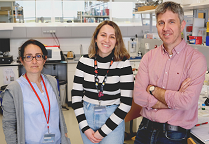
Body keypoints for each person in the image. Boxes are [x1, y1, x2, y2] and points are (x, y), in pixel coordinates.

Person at [133, 1, 207, 144]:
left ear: (182, 25)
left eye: (171, 22)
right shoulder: (149, 57)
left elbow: (186, 102)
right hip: (144, 130)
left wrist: (152, 89)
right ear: (157, 26)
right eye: (161, 23)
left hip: (174, 135)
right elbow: (139, 97)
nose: (166, 28)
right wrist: (175, 99)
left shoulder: (196, 59)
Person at [72, 20, 134, 144]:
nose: (107, 40)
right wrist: (85, 127)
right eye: (103, 35)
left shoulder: (123, 64)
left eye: (112, 37)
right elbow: (76, 97)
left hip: (113, 118)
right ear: (96, 38)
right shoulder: (84, 61)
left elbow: (126, 103)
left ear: (117, 41)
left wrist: (102, 132)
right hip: (87, 116)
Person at [1, 39, 71, 144]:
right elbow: (9, 126)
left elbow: (58, 112)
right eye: (29, 57)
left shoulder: (51, 81)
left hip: (56, 141)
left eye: (38, 56)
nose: (34, 61)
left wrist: (64, 132)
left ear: (44, 59)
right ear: (22, 60)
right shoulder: (13, 90)